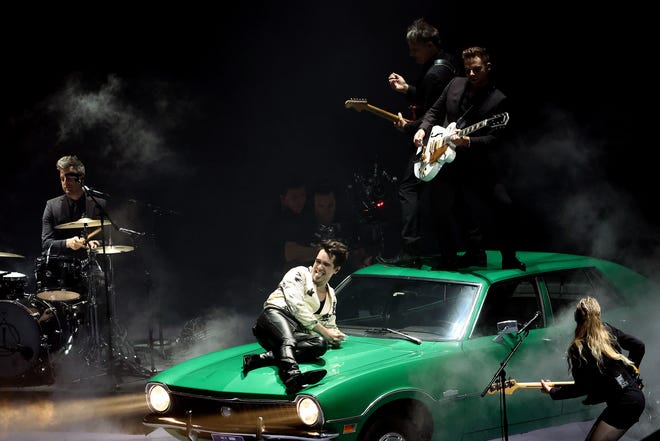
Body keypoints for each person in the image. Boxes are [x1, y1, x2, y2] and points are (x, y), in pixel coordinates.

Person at [413, 46, 525, 270]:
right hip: (445, 155)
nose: (472, 74)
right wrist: (423, 129)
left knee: (503, 204)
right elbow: (435, 110)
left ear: (488, 67)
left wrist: (470, 142)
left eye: (477, 69)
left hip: (477, 163)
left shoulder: (497, 100)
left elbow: (495, 139)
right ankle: (454, 257)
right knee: (441, 207)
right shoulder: (455, 84)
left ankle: (509, 258)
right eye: (468, 70)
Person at [378, 18, 458, 267]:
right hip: (439, 137)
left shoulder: (435, 73)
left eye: (415, 49)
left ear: (430, 45)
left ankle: (411, 251)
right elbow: (430, 99)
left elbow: (433, 113)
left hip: (434, 140)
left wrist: (409, 127)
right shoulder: (445, 64)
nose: (411, 54)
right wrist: (407, 89)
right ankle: (455, 254)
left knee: (408, 189)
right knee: (442, 199)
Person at [243, 240, 348, 394]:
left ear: (336, 269)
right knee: (288, 340)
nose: (319, 267)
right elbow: (298, 308)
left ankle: (259, 359)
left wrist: (335, 336)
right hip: (273, 319)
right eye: (318, 261)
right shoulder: (298, 273)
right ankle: (292, 377)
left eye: (326, 264)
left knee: (319, 344)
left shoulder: (331, 295)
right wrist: (326, 332)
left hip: (294, 332)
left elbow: (330, 325)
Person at [540, 296, 645, 441]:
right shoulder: (608, 330)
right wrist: (632, 374)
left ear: (576, 319)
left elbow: (581, 388)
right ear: (598, 315)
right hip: (627, 400)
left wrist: (552, 392)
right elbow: (639, 346)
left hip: (626, 404)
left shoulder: (578, 348)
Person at [41, 155, 106, 257]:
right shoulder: (52, 206)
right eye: (62, 178)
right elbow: (46, 244)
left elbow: (110, 239)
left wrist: (97, 243)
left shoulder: (99, 205)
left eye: (69, 177)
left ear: (81, 178)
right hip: (62, 268)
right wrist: (67, 243)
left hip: (92, 266)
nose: (65, 182)